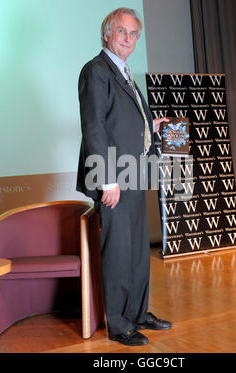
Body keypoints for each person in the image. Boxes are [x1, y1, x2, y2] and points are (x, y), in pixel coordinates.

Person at [76, 7, 172, 346]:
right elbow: (94, 127)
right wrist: (107, 180)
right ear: (107, 34)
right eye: (122, 32)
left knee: (136, 251)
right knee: (117, 252)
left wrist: (151, 125)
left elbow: (124, 121)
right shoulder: (96, 71)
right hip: (114, 179)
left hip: (135, 174)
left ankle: (138, 313)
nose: (128, 39)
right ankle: (118, 324)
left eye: (134, 34)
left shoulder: (126, 72)